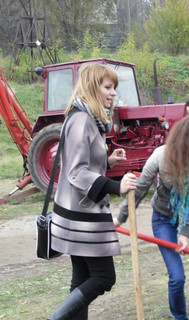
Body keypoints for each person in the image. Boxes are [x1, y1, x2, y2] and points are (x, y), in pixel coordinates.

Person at [117, 115, 189, 320]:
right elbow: (140, 189)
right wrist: (120, 217)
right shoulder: (160, 157)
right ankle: (180, 318)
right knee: (177, 277)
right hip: (163, 219)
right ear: (188, 140)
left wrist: (184, 232)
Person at [47, 63, 138, 320]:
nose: (113, 94)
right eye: (107, 87)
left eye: (114, 88)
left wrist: (108, 162)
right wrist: (116, 186)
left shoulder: (88, 119)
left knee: (82, 278)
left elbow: (84, 162)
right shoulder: (81, 120)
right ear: (91, 87)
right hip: (81, 215)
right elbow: (76, 171)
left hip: (77, 210)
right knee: (104, 277)